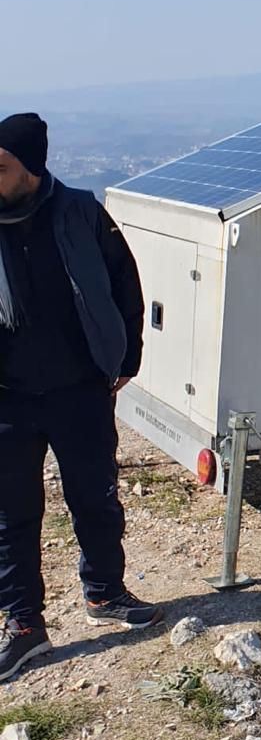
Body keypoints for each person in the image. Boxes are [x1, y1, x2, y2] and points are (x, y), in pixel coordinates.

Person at [0, 113, 162, 681]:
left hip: (79, 389)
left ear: (32, 168)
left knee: (94, 498)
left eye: (0, 166)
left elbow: (125, 282)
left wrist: (127, 357)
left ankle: (105, 593)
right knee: (11, 516)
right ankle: (24, 625)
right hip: (8, 400)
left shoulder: (81, 213)